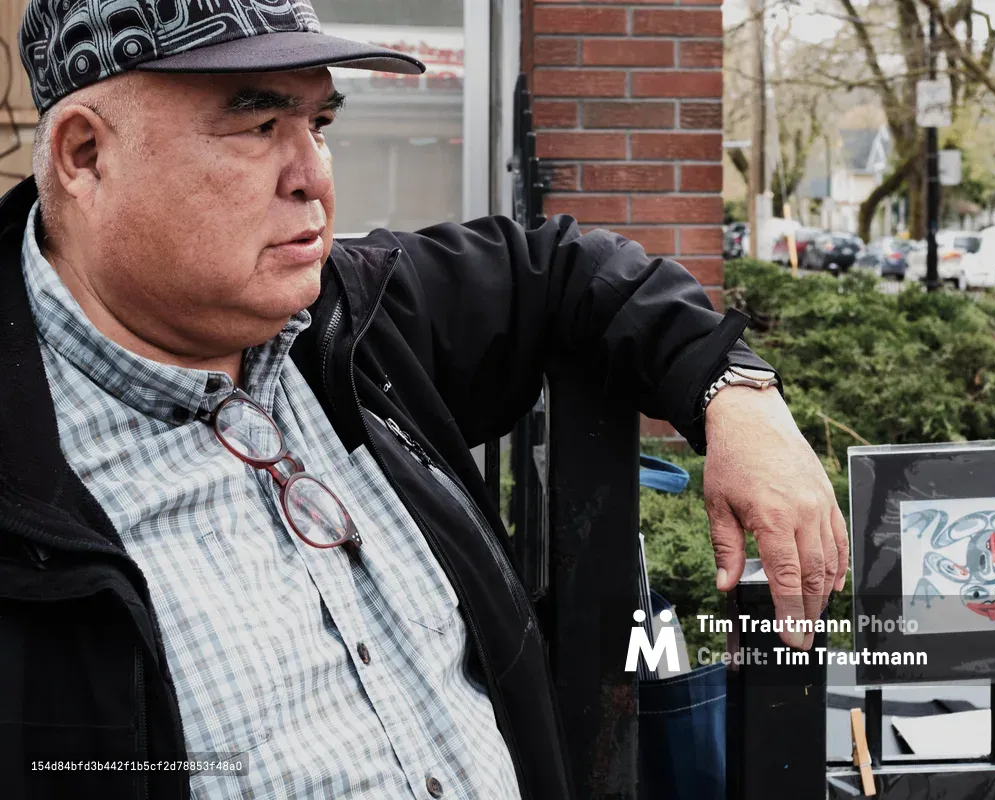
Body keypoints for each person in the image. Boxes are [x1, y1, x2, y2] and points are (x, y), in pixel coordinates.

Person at [0, 1, 848, 798]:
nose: (314, 178)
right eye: (260, 125)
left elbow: (566, 268)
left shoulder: (349, 318)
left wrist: (736, 393)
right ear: (84, 155)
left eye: (319, 124)